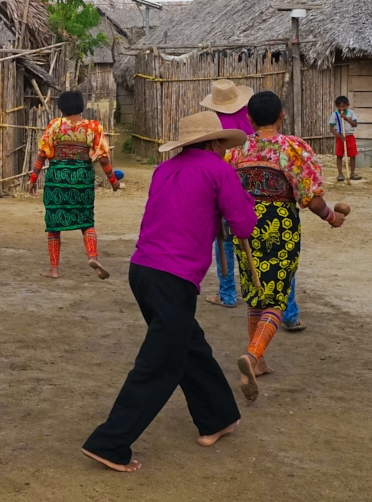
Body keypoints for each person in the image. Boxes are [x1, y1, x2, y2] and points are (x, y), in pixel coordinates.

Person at [81, 111, 256, 472]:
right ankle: (110, 442)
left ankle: (218, 418)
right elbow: (243, 224)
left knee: (189, 347)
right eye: (222, 144)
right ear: (215, 143)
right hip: (173, 277)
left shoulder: (165, 169)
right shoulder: (219, 169)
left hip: (143, 270)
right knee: (161, 364)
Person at [228, 91, 345, 402]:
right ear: (282, 115)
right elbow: (311, 198)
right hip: (280, 225)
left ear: (250, 120)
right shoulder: (293, 149)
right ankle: (252, 358)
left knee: (255, 290)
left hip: (246, 227)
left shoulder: (237, 151)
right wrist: (332, 217)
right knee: (277, 299)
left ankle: (261, 361)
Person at [28, 91, 118, 280]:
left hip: (57, 179)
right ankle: (92, 257)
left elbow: (42, 154)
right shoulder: (93, 127)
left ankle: (54, 269)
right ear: (81, 107)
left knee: (54, 225)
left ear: (61, 108)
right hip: (82, 179)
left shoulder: (55, 125)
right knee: (86, 221)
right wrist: (113, 181)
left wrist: (33, 179)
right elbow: (103, 158)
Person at [200, 79, 254, 309]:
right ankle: (259, 290)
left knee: (223, 240)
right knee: (252, 239)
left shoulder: (213, 123)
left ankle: (228, 294)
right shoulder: (251, 119)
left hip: (223, 181)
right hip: (253, 184)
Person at [330, 95, 361, 182]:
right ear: (336, 106)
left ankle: (352, 174)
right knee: (339, 155)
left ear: (347, 105)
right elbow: (331, 128)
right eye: (339, 106)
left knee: (352, 155)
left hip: (350, 136)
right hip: (340, 137)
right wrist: (338, 135)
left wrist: (346, 118)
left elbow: (355, 124)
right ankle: (340, 174)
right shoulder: (334, 114)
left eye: (343, 106)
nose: (341, 108)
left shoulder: (351, 113)